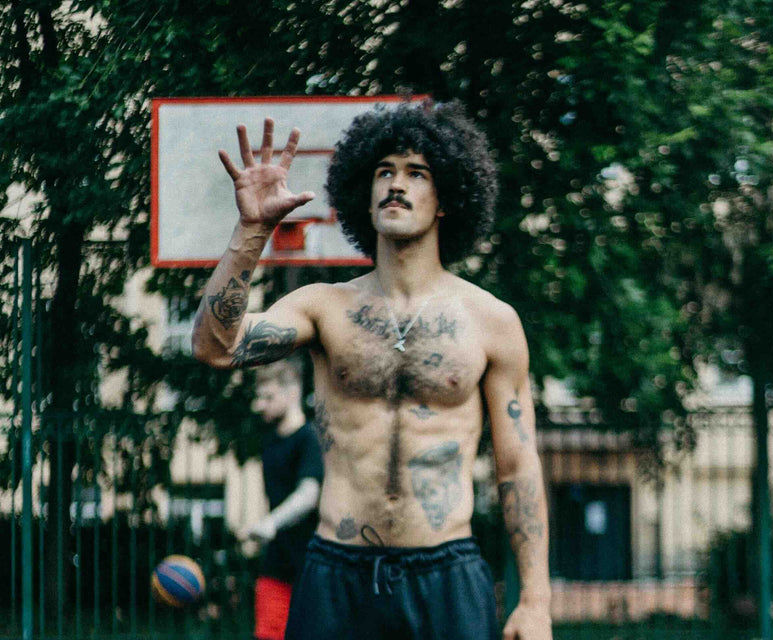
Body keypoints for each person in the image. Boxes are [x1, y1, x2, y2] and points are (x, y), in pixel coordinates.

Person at [193, 101, 552, 640]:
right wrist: (252, 229)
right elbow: (216, 348)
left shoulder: (492, 322)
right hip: (337, 574)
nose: (396, 184)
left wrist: (536, 601)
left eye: (416, 172)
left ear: (446, 197)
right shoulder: (325, 307)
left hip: (446, 575)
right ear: (365, 190)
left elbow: (517, 466)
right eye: (384, 171)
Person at [242, 358, 324, 640]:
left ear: (291, 394)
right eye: (259, 397)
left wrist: (271, 522)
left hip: (313, 567)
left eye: (268, 397)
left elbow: (308, 494)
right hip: (276, 565)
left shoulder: (310, 439)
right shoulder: (271, 443)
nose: (259, 405)